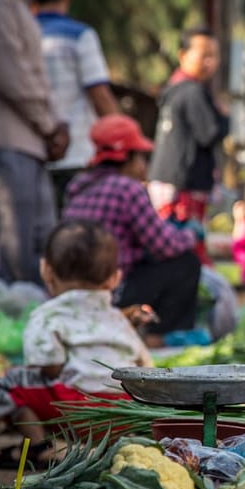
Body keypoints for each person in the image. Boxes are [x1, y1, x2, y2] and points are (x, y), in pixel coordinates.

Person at [0, 220, 153, 469]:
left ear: (46, 271)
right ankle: (114, 448)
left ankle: (40, 448)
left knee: (7, 383)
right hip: (123, 411)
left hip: (74, 411)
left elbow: (50, 367)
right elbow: (144, 365)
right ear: (115, 278)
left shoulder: (47, 315)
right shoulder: (119, 318)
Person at [0, 0, 71, 285]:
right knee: (5, 250)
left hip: (30, 141)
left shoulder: (15, 0)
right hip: (5, 138)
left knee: (39, 246)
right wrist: (49, 126)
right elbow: (12, 76)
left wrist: (54, 126)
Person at [63, 114, 201, 345]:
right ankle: (158, 338)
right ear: (128, 158)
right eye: (141, 158)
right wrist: (191, 234)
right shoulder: (127, 188)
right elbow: (165, 246)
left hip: (72, 288)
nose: (144, 166)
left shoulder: (79, 185)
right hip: (112, 290)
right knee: (185, 262)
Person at [32, 0, 119, 212]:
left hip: (31, 154)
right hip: (76, 153)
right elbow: (100, 95)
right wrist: (123, 138)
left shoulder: (19, 32)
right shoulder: (81, 36)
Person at [147, 25, 229, 262]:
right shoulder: (192, 91)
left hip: (168, 182)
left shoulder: (173, 89)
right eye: (204, 55)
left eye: (214, 56)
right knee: (182, 253)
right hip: (181, 188)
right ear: (183, 55)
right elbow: (208, 134)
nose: (210, 62)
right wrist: (224, 117)